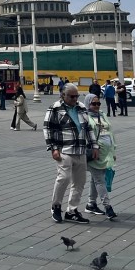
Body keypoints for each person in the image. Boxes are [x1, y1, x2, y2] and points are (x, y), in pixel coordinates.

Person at [44, 83, 97, 224]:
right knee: (64, 178)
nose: (75, 99)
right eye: (72, 96)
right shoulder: (55, 108)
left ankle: (72, 211)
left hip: (80, 150)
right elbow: (48, 129)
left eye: (76, 96)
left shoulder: (81, 107)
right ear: (63, 95)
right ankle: (56, 206)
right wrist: (53, 148)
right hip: (64, 150)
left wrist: (94, 146)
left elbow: (88, 128)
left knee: (79, 182)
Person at [84, 97, 117, 219]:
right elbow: (86, 136)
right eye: (94, 103)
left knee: (96, 179)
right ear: (88, 104)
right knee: (100, 180)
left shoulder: (102, 114)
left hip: (106, 153)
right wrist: (94, 148)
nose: (97, 105)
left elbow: (110, 132)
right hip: (95, 153)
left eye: (98, 103)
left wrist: (113, 151)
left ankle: (91, 204)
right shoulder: (85, 117)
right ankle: (108, 207)